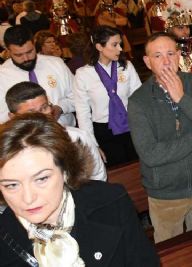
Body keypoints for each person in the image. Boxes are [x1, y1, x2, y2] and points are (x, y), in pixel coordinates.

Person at [0, 114, 159, 266]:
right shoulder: (5, 237)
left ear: (66, 170)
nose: (28, 198)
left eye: (41, 179)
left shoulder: (110, 202)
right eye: (11, 185)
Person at [128, 32, 192, 242]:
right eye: (158, 56)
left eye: (171, 53)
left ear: (179, 55)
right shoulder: (139, 101)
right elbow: (152, 155)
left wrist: (182, 98)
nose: (166, 61)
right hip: (166, 195)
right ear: (147, 62)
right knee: (171, 256)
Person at [5, 81, 106, 181]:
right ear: (13, 117)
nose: (41, 116)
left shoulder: (76, 137)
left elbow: (97, 176)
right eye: (31, 113)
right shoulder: (8, 149)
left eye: (44, 108)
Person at [74, 26, 142, 166]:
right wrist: (92, 145)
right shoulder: (83, 74)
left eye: (120, 44)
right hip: (104, 131)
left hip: (132, 125)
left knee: (139, 167)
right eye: (115, 45)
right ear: (99, 46)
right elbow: (83, 113)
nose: (120, 49)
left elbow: (139, 97)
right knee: (118, 171)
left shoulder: (126, 66)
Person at [0, 26, 76, 127]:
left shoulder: (56, 64)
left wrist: (60, 108)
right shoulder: (2, 75)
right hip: (26, 137)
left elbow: (77, 96)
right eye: (19, 55)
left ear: (34, 45)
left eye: (29, 52)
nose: (26, 58)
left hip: (65, 131)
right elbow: (2, 116)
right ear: (8, 51)